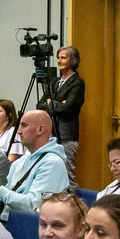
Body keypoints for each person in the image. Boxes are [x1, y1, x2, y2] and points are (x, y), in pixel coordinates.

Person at [0, 109, 70, 221]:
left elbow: (33, 205)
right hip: (7, 222)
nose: (18, 131)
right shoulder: (20, 161)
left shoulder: (53, 164)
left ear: (40, 130)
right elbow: (6, 194)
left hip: (26, 227)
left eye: (24, 125)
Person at [43, 45, 85, 181]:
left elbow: (68, 108)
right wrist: (59, 103)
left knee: (67, 176)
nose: (59, 61)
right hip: (51, 135)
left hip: (66, 135)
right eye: (58, 57)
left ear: (72, 60)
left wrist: (51, 102)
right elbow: (40, 105)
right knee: (51, 175)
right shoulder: (54, 82)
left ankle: (71, 197)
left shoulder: (77, 82)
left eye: (63, 58)